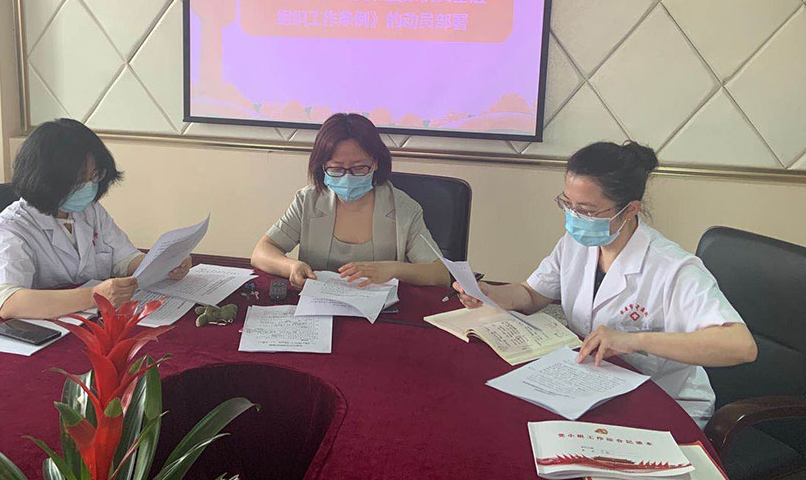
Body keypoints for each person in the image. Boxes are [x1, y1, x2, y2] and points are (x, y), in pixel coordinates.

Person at [454, 141, 757, 426]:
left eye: (586, 211)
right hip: (591, 388)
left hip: (663, 401)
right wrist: (489, 294)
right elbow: (532, 294)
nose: (574, 218)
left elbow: (740, 346)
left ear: (631, 210)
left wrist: (634, 340)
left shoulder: (673, 268)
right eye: (568, 205)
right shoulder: (575, 244)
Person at [0, 119, 191, 319]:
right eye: (80, 179)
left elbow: (125, 259)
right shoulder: (12, 227)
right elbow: (8, 302)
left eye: (94, 176)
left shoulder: (90, 210)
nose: (89, 186)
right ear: (47, 179)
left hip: (95, 320)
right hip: (47, 329)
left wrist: (166, 263)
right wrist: (93, 296)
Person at [251, 113, 450, 289]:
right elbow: (261, 252)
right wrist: (291, 266)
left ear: (375, 163)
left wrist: (393, 269)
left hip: (382, 311)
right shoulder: (308, 201)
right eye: (337, 168)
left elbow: (440, 274)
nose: (348, 177)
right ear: (322, 166)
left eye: (359, 167)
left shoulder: (403, 208)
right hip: (319, 306)